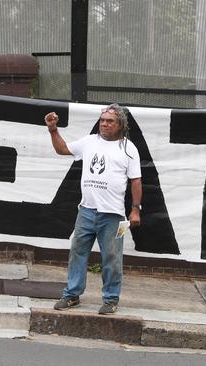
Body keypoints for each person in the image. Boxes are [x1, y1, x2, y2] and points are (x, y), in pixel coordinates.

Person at [44, 103, 142, 315]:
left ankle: (111, 299)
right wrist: (53, 129)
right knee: (77, 253)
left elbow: (136, 181)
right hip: (86, 211)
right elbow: (62, 149)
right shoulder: (89, 142)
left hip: (114, 216)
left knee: (112, 258)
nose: (104, 124)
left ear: (121, 125)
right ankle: (72, 295)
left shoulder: (128, 148)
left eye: (110, 121)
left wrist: (135, 209)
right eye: (102, 120)